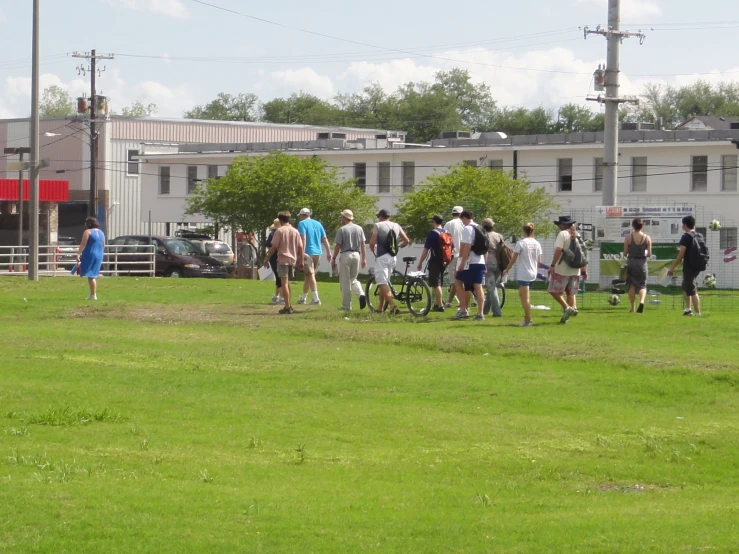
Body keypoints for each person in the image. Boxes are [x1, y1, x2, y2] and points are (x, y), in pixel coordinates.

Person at [548, 215, 588, 324]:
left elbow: (559, 250)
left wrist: (552, 265)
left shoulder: (563, 234)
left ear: (563, 225)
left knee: (553, 291)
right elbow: (583, 254)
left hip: (562, 269)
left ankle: (567, 308)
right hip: (575, 269)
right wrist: (584, 270)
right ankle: (569, 312)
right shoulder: (578, 235)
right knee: (571, 293)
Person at [369, 209, 410, 314]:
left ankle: (392, 306)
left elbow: (372, 242)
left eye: (379, 217)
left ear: (381, 217)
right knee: (385, 281)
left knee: (382, 282)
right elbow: (406, 241)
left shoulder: (378, 225)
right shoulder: (396, 225)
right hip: (393, 257)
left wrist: (373, 251)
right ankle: (380, 307)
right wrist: (398, 247)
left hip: (382, 257)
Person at [262, 211, 303, 314]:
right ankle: (289, 304)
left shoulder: (279, 231)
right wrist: (301, 260)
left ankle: (287, 306)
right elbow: (301, 247)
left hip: (283, 258)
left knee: (284, 283)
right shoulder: (295, 231)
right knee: (287, 283)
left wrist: (267, 258)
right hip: (292, 259)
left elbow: (274, 246)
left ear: (280, 220)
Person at [503, 223, 542, 327]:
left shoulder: (521, 243)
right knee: (521, 295)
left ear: (523, 231)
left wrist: (507, 269)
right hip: (533, 273)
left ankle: (528, 320)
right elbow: (539, 261)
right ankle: (526, 318)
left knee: (525, 298)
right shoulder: (537, 243)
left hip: (524, 273)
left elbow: (514, 258)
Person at [453, 210, 486, 321]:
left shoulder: (468, 228)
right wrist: (485, 262)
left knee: (457, 282)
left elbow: (467, 246)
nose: (462, 223)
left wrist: (462, 262)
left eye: (462, 220)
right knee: (477, 286)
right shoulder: (480, 227)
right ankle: (480, 313)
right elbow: (485, 247)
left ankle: (463, 309)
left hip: (470, 261)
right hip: (480, 260)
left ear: (464, 218)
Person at [331, 209, 367, 311]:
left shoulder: (342, 229)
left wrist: (334, 258)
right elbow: (363, 245)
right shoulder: (359, 229)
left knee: (345, 281)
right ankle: (360, 294)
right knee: (353, 279)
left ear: (345, 218)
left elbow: (338, 245)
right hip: (356, 254)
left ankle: (346, 306)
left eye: (342, 217)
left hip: (345, 254)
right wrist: (364, 258)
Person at [667, 215, 702, 316]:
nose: (682, 227)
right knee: (687, 286)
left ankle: (698, 313)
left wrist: (672, 268)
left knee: (692, 289)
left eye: (683, 225)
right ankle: (688, 310)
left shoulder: (685, 237)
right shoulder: (699, 235)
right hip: (698, 264)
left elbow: (681, 254)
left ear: (686, 225)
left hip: (689, 265)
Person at [297, 208, 332, 306]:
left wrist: (302, 252)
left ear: (302, 215)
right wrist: (329, 252)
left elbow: (303, 238)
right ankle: (303, 298)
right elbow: (324, 238)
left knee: (310, 274)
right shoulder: (318, 224)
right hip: (318, 252)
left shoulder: (302, 224)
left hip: (308, 252)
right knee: (308, 275)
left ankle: (316, 299)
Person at [417, 215, 450, 312]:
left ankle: (440, 306)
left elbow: (426, 250)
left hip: (435, 261)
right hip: (444, 261)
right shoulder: (446, 232)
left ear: (434, 221)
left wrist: (420, 262)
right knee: (439, 282)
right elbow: (452, 247)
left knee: (436, 284)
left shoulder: (432, 234)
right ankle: (436, 304)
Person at [623, 217, 652, 313]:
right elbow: (649, 254)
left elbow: (625, 253)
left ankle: (632, 308)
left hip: (631, 262)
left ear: (633, 226)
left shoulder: (628, 237)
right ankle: (642, 301)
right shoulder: (647, 238)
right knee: (642, 285)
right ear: (642, 226)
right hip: (642, 263)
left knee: (631, 285)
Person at [76, 217, 105, 300]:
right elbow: (103, 245)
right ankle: (92, 294)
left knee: (91, 275)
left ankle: (93, 295)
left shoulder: (87, 232)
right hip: (99, 254)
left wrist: (78, 253)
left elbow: (83, 244)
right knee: (93, 274)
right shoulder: (101, 232)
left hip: (90, 253)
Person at [481, 218, 504, 318]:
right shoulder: (499, 235)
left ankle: (497, 312)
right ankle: (485, 310)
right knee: (492, 287)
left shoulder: (484, 236)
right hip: (499, 264)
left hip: (488, 263)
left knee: (491, 288)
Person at [443, 206, 465, 308]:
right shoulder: (465, 224)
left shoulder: (449, 224)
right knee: (460, 280)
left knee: (455, 281)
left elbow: (444, 239)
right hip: (465, 255)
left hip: (453, 254)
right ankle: (451, 301)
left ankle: (460, 302)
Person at [265, 218, 284, 304]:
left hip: (274, 257)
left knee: (278, 277)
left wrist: (267, 257)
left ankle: (282, 297)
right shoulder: (285, 233)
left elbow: (269, 246)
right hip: (284, 256)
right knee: (281, 277)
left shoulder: (272, 234)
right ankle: (277, 295)